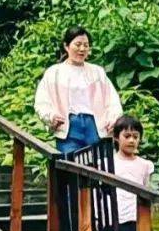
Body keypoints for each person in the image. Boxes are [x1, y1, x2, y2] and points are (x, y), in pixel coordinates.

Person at [34, 26, 122, 157]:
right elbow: (42, 101)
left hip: (96, 125)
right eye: (78, 44)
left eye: (86, 45)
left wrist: (113, 118)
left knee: (100, 165)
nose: (82, 49)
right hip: (69, 127)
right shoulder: (54, 72)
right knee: (70, 167)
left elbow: (112, 100)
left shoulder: (98, 72)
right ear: (66, 46)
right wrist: (51, 116)